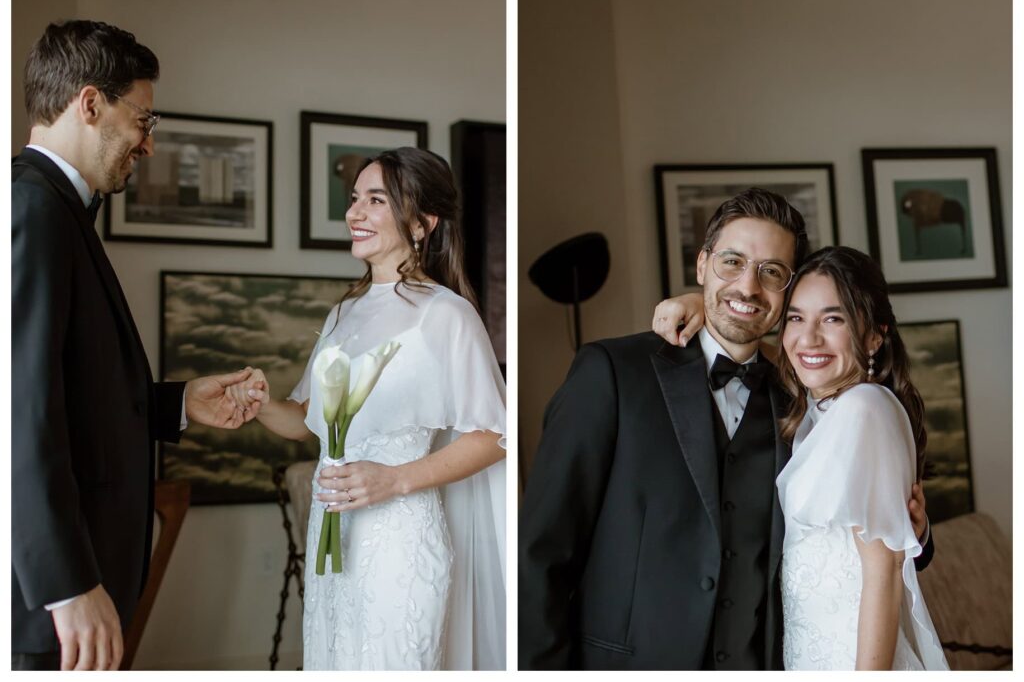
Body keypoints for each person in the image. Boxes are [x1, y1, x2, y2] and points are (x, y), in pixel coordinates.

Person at [518, 188, 930, 670]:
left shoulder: (802, 399)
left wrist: (918, 534)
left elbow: (860, 535)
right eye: (732, 262)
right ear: (702, 265)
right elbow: (541, 552)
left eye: (771, 272)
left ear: (787, 289)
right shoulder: (612, 373)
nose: (748, 287)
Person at [12, 20, 261, 671]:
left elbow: (71, 390)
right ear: (91, 104)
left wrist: (176, 403)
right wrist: (67, 583)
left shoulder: (59, 209)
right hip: (48, 605)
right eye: (144, 120)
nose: (148, 144)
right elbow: (18, 410)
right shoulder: (31, 209)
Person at [236, 147, 506, 670]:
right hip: (334, 537)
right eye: (355, 198)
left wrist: (396, 479)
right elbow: (307, 420)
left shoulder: (447, 315)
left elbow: (494, 435)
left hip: (400, 542)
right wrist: (261, 404)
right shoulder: (344, 313)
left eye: (376, 200)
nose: (354, 213)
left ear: (422, 223)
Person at [773, 246, 947, 669]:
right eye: (796, 317)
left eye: (833, 319)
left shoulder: (862, 409)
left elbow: (883, 572)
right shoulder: (822, 412)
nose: (808, 338)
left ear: (874, 335)